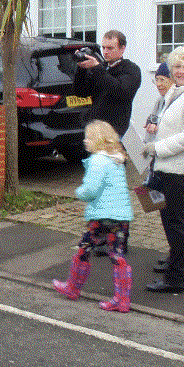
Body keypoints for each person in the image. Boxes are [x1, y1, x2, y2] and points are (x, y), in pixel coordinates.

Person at [141, 45, 184, 293]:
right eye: (177, 66)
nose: (181, 71)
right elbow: (168, 124)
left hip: (179, 169)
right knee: (166, 216)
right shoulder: (177, 91)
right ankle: (175, 265)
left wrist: (157, 147)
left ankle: (177, 278)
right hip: (164, 166)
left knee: (176, 221)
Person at [51, 120, 135, 312]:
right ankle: (122, 300)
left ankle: (72, 288)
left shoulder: (98, 160)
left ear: (98, 140)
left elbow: (91, 189)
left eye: (88, 137)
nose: (85, 141)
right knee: (117, 255)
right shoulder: (116, 159)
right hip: (121, 216)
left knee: (84, 249)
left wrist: (79, 192)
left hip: (102, 216)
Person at [72, 30, 141, 138]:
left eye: (110, 48)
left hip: (114, 130)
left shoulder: (131, 69)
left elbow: (120, 91)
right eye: (103, 48)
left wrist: (97, 68)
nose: (105, 52)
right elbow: (81, 92)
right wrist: (81, 69)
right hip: (95, 129)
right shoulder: (102, 68)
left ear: (122, 49)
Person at [142, 60, 174, 276]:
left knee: (173, 213)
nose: (159, 84)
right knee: (162, 209)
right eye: (157, 80)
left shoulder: (175, 102)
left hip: (170, 165)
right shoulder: (159, 102)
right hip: (156, 162)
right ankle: (173, 253)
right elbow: (151, 130)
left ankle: (177, 256)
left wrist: (158, 129)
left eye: (163, 80)